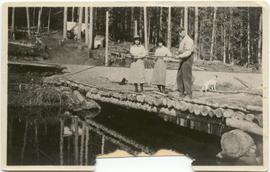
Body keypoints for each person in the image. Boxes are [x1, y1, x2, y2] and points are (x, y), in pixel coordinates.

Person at [175, 27, 194, 99]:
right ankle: (181, 92)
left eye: (180, 32)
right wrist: (178, 52)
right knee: (179, 76)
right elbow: (182, 50)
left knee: (186, 77)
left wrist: (179, 56)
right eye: (179, 33)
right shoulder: (183, 40)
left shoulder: (189, 40)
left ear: (183, 31)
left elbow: (188, 52)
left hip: (187, 59)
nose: (179, 34)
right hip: (182, 59)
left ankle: (189, 94)